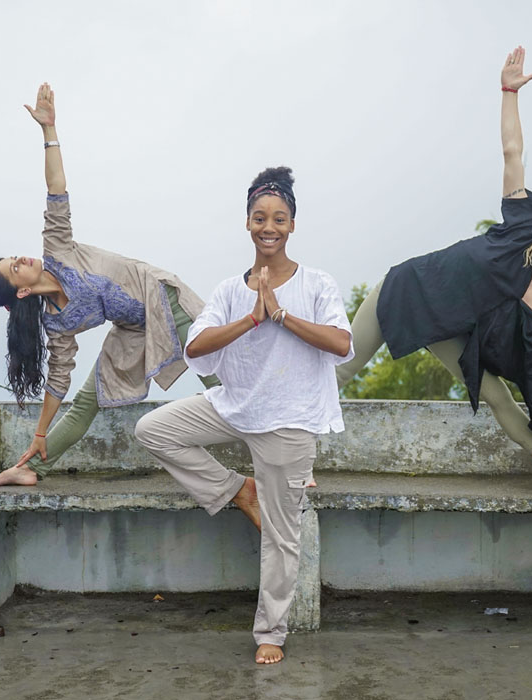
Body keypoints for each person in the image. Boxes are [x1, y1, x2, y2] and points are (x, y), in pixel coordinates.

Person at [336, 47, 532, 491]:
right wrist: (508, 92)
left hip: (447, 325)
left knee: (500, 398)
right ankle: (278, 443)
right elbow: (512, 152)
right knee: (341, 371)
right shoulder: (521, 228)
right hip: (407, 289)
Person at [134, 167, 353, 664]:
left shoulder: (317, 284)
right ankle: (237, 489)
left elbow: (341, 342)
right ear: (248, 223)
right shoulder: (232, 289)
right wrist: (252, 316)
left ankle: (271, 632)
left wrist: (280, 314)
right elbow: (197, 345)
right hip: (234, 407)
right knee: (154, 429)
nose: (268, 226)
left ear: (292, 225)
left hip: (288, 422)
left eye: (278, 218)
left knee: (281, 534)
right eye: (259, 217)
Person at [0, 83, 218, 487]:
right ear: (20, 291)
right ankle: (30, 468)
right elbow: (58, 381)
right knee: (85, 403)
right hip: (133, 328)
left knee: (217, 377)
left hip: (162, 298)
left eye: (14, 256)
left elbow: (56, 189)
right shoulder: (58, 324)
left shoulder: (57, 248)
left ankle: (285, 461)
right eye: (14, 268)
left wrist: (48, 132)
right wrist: (39, 434)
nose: (21, 259)